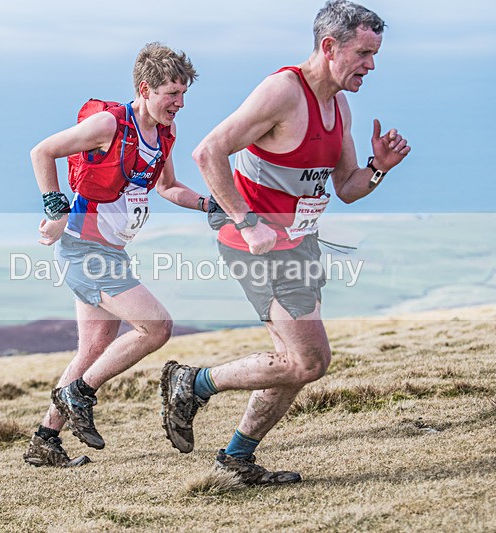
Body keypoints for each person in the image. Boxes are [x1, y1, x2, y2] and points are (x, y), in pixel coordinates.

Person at [160, 0, 411, 485]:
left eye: (375, 54)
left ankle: (235, 459)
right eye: (363, 53)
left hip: (299, 244)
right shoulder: (283, 92)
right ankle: (193, 382)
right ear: (329, 46)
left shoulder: (339, 105)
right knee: (309, 360)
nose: (371, 65)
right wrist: (246, 220)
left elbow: (347, 188)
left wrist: (379, 168)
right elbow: (207, 151)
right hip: (253, 243)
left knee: (294, 364)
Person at [24, 42, 205, 467]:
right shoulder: (109, 124)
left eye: (183, 94)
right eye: (172, 94)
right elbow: (42, 151)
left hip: (112, 252)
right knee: (157, 327)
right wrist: (55, 206)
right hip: (85, 250)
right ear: (145, 88)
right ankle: (78, 394)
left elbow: (167, 187)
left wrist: (211, 206)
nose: (180, 103)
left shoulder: (163, 134)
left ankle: (45, 440)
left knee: (93, 350)